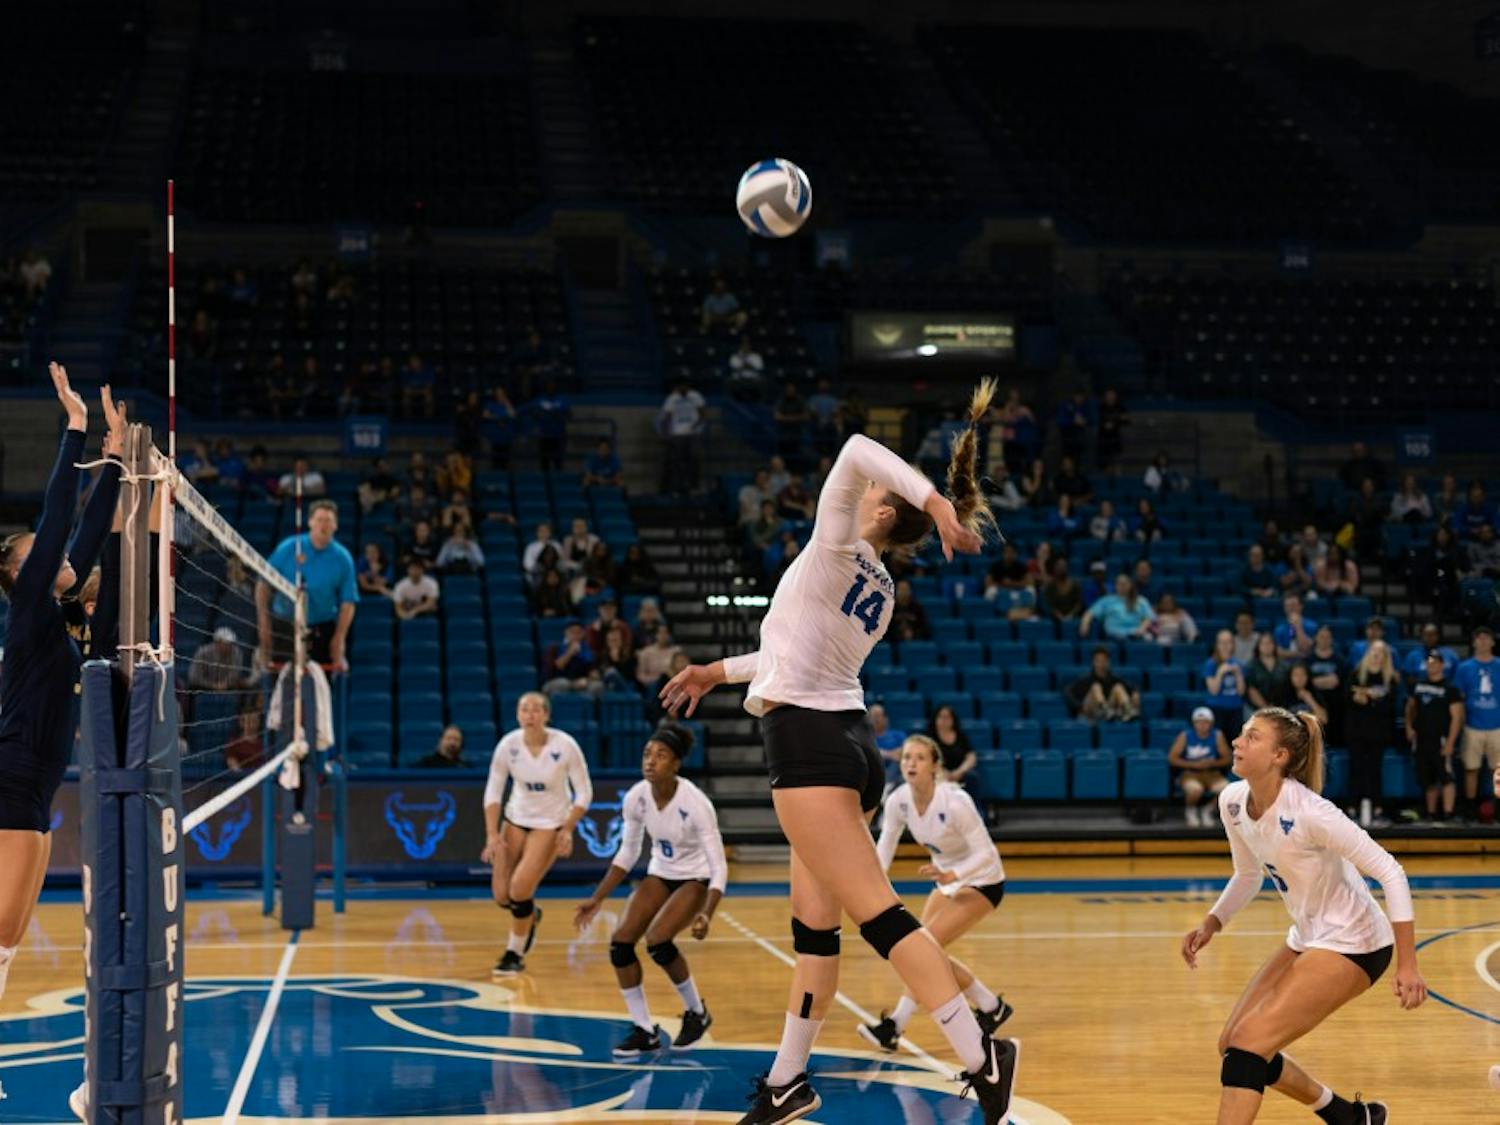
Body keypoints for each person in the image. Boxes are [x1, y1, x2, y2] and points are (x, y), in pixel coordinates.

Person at [657, 382, 1019, 1124]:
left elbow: (855, 449)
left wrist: (939, 501)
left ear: (881, 510)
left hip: (809, 744)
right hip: (847, 742)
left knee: (883, 919)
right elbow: (784, 653)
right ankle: (790, 1080)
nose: (863, 488)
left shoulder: (836, 544)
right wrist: (712, 672)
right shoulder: (878, 587)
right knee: (814, 928)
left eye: (878, 492)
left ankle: (983, 1057)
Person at [1181, 708, 1425, 1125]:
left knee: (1248, 1046)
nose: (1238, 742)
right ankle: (1348, 1116)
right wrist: (1212, 922)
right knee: (1233, 1044)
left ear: (1279, 756)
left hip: (1357, 943)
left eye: (1252, 737)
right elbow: (1247, 874)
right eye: (1241, 734)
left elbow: (1390, 871)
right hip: (1310, 936)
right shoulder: (1233, 801)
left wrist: (1409, 964)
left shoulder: (1312, 812)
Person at [0, 366, 124, 1013]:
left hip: (39, 778)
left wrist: (114, 460)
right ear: (24, 571)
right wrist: (76, 428)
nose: (58, 554)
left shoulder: (51, 612)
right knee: (0, 935)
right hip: (16, 775)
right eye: (39, 553)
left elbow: (88, 533)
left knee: (10, 936)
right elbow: (57, 523)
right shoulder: (27, 605)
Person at [574, 724, 726, 1056]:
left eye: (660, 755)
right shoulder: (636, 797)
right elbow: (627, 853)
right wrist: (597, 898)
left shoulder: (696, 804)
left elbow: (718, 866)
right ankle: (644, 1030)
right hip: (662, 872)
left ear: (676, 764)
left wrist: (706, 914)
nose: (650, 761)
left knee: (658, 942)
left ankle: (697, 1014)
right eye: (647, 754)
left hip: (696, 878)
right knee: (620, 945)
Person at [862, 735, 1012, 1051]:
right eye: (906, 758)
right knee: (920, 950)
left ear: (934, 767)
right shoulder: (898, 800)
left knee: (924, 949)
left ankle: (900, 1025)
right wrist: (867, 884)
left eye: (919, 758)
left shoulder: (956, 802)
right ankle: (989, 1007)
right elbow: (885, 847)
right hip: (948, 880)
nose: (911, 764)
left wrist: (953, 874)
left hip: (982, 880)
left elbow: (987, 854)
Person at [483, 693, 593, 976]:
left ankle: (514, 953)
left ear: (546, 715)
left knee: (520, 889)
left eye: (535, 709)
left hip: (550, 822)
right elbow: (493, 792)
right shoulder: (508, 745)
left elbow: (584, 792)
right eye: (524, 709)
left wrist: (568, 827)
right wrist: (492, 835)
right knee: (501, 896)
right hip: (516, 817)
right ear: (518, 715)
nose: (530, 714)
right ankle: (531, 914)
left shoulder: (565, 745)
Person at [257, 501, 357, 672]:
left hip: (321, 627)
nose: (323, 525)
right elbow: (262, 585)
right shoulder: (289, 548)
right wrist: (264, 622)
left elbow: (348, 602)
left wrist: (339, 637)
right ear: (310, 522)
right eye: (319, 520)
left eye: (328, 520)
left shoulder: (342, 558)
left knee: (318, 686)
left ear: (336, 525)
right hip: (285, 625)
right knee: (283, 682)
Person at [1405, 651, 1464, 823]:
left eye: (1435, 662)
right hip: (1422, 740)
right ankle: (1431, 815)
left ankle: (1448, 814)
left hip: (1442, 740)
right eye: (1429, 662)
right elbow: (1410, 708)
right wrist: (1409, 727)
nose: (1432, 665)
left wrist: (1451, 743)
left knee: (1446, 777)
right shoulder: (1418, 686)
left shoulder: (1450, 689)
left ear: (1442, 665)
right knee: (1427, 778)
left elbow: (1457, 718)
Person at [1346, 641, 1399, 827]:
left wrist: (1367, 699)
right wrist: (1368, 699)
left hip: (1378, 731)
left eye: (1381, 652)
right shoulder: (1355, 674)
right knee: (1356, 769)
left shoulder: (1390, 679)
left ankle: (1377, 808)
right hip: (1357, 730)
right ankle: (1352, 808)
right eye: (1374, 651)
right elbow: (1348, 699)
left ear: (1386, 657)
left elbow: (1389, 706)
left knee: (1375, 770)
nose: (1377, 655)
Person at [1456, 626, 1500, 821]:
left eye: (1486, 638)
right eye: (1479, 638)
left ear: (1492, 642)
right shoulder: (1464, 668)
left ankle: (1497, 811)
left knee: (1498, 771)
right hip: (1472, 726)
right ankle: (1470, 811)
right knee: (1471, 769)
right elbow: (1459, 699)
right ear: (1473, 642)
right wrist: (1463, 725)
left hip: (1497, 726)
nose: (1482, 641)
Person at [1169, 707, 1232, 827]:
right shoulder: (1185, 736)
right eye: (1199, 722)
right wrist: (1193, 764)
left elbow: (1227, 758)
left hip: (1212, 773)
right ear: (1194, 723)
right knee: (1195, 790)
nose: (1202, 725)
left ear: (1211, 723)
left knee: (1227, 790)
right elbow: (1172, 758)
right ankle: (1190, 810)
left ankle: (1208, 810)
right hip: (1190, 773)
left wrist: (1212, 763)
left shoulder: (1217, 735)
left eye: (1205, 722)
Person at [1066, 646, 1140, 722]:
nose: (1101, 664)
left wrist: (1135, 693)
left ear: (1108, 662)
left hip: (1109, 712)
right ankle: (1104, 710)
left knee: (1118, 688)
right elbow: (1068, 691)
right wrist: (1079, 706)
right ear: (1093, 662)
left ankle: (1128, 710)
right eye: (1098, 661)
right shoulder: (1086, 679)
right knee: (1096, 687)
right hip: (1090, 712)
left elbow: (1132, 687)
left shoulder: (1114, 679)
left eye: (1104, 660)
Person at [658, 381, 706, 495]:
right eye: (680, 385)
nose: (682, 387)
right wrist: (666, 434)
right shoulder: (672, 398)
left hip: (693, 433)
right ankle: (677, 488)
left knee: (694, 458)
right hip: (677, 434)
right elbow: (666, 417)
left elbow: (703, 414)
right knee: (676, 462)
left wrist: (695, 426)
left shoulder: (696, 396)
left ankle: (694, 486)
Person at [1079, 574, 1155, 641]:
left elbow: (1150, 617)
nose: (1122, 586)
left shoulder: (1141, 600)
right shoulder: (1106, 600)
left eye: (1125, 584)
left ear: (1130, 585)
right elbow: (1090, 613)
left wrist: (1142, 628)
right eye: (1119, 584)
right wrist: (1085, 624)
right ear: (1115, 586)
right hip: (1113, 638)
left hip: (1135, 637)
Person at [1203, 630, 1247, 740]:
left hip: (1235, 709)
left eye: (1228, 642)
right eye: (1222, 642)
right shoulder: (1210, 664)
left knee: (1234, 742)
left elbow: (1241, 692)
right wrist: (1220, 673)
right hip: (1217, 709)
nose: (1225, 646)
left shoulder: (1239, 664)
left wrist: (1238, 675)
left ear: (1233, 644)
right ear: (1217, 645)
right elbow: (1213, 690)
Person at [928, 705, 977, 792]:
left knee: (972, 776)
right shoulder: (929, 738)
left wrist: (960, 771)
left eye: (948, 717)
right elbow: (927, 758)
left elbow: (971, 756)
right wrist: (942, 772)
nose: (944, 720)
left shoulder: (961, 736)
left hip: (960, 772)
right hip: (938, 772)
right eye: (941, 717)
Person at [1245, 633, 1289, 711]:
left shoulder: (1284, 666)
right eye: (1263, 643)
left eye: (1269, 643)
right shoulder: (1251, 666)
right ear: (1258, 646)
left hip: (1282, 707)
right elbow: (1251, 689)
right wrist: (1266, 708)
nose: (1267, 646)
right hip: (1256, 708)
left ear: (1274, 645)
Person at [1273, 594, 1317, 662]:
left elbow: (1306, 648)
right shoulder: (1279, 629)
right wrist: (1299, 654)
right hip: (1286, 664)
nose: (1291, 608)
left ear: (1301, 606)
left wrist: (1298, 626)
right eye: (1288, 606)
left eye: (1293, 605)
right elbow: (1278, 652)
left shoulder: (1312, 626)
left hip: (1306, 663)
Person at [1040, 557, 1084, 622]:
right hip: (1053, 619)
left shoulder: (1075, 585)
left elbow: (1079, 604)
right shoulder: (1049, 587)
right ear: (1054, 568)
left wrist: (1071, 615)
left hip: (1073, 618)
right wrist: (1057, 614)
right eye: (1059, 566)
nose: (1062, 568)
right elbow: (1048, 605)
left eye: (1064, 566)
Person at [727, 335, 766, 401]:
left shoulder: (756, 356)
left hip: (753, 378)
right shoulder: (735, 356)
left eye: (747, 346)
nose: (745, 347)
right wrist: (743, 366)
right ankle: (730, 401)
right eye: (743, 346)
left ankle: (761, 402)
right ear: (740, 347)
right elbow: (733, 368)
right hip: (739, 378)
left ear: (750, 346)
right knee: (728, 381)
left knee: (764, 381)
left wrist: (750, 366)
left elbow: (760, 368)